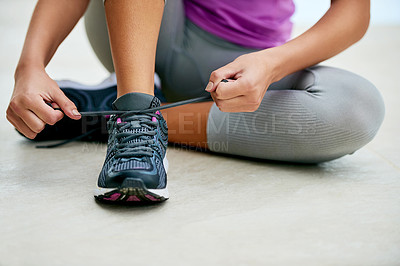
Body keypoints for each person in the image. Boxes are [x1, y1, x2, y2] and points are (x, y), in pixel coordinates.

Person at [6, 0, 385, 203]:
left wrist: (271, 64)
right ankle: (137, 108)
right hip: (146, 32)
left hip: (246, 61)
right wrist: (30, 66)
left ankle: (116, 117)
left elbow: (353, 13)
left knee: (356, 107)